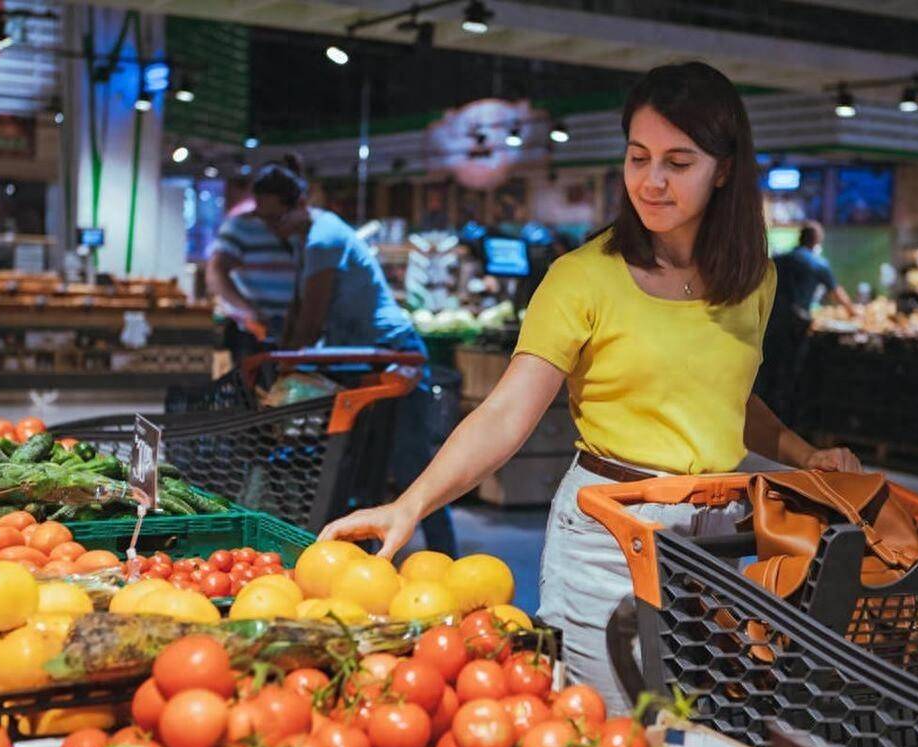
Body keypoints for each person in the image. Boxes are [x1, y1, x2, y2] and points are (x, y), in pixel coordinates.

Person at [319, 62, 859, 713]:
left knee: (693, 732)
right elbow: (506, 412)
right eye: (639, 157)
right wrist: (410, 504)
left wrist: (804, 456)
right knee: (604, 731)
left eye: (678, 162)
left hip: (719, 540)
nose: (652, 181)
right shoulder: (583, 278)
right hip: (609, 535)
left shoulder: (753, 282)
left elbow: (725, 400)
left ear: (723, 168)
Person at [250, 163, 458, 557]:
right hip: (362, 363)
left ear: (300, 204)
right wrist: (284, 361)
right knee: (362, 466)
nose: (272, 227)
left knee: (414, 467)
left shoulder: (324, 238)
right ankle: (365, 553)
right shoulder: (306, 237)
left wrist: (285, 369)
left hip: (396, 358)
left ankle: (447, 560)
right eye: (264, 219)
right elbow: (298, 310)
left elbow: (311, 317)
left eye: (277, 216)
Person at [206, 159, 308, 362]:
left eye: (276, 216)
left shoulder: (302, 228)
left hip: (294, 328)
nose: (270, 222)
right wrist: (247, 311)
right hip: (252, 331)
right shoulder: (239, 226)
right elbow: (216, 273)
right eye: (264, 213)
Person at [755, 221, 856, 425]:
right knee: (790, 373)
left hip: (768, 323)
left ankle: (761, 418)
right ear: (816, 242)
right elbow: (838, 294)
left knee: (766, 371)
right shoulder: (818, 263)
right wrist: (854, 313)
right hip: (795, 325)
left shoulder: (779, 259)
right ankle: (786, 420)